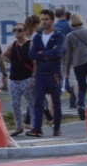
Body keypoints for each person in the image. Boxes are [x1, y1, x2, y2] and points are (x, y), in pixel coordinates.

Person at [28, 10, 66, 138]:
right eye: (42, 19)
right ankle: (37, 128)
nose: (44, 22)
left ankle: (57, 127)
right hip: (40, 73)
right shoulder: (38, 37)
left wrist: (41, 54)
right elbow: (32, 54)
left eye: (46, 19)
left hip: (53, 72)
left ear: (52, 20)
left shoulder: (59, 36)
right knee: (38, 100)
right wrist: (47, 54)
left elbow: (58, 53)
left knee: (55, 101)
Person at [3, 21, 35, 136]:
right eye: (15, 30)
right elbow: (4, 55)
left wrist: (33, 78)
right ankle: (19, 126)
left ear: (25, 31)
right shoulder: (13, 45)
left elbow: (35, 62)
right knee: (15, 104)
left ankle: (34, 126)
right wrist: (13, 62)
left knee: (31, 103)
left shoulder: (30, 44)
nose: (17, 32)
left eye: (20, 30)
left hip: (27, 78)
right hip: (14, 79)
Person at [55, 8, 76, 110]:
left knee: (59, 77)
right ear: (64, 14)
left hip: (57, 57)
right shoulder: (70, 25)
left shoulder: (54, 27)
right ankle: (73, 99)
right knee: (71, 78)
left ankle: (59, 94)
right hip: (70, 56)